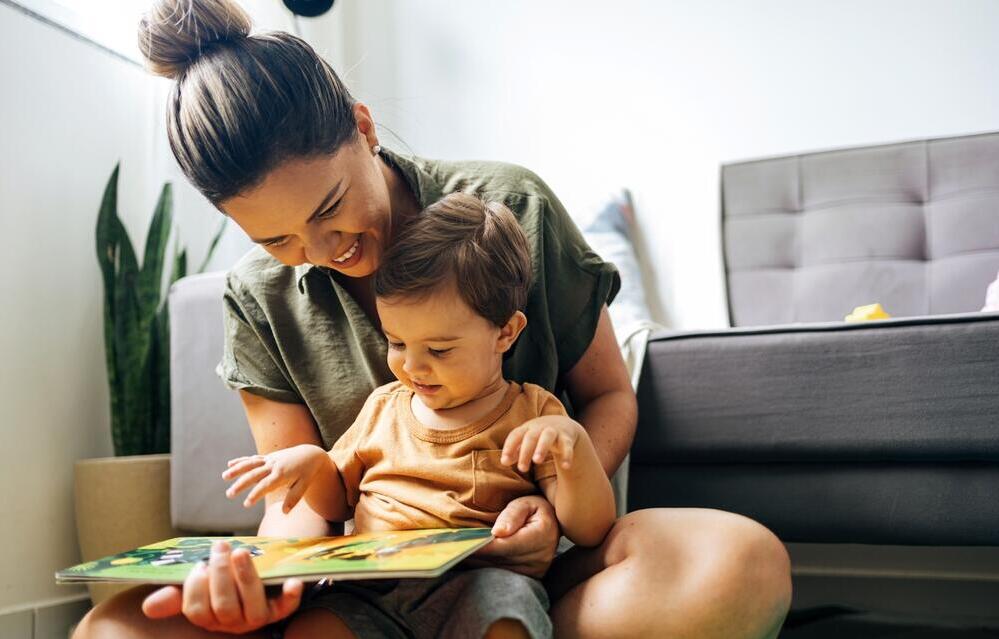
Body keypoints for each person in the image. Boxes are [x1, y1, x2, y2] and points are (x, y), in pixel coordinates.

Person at [74, 0, 792, 637]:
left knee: (741, 564)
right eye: (278, 240)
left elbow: (607, 395)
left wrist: (555, 497)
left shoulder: (510, 207)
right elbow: (301, 500)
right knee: (113, 627)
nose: (324, 252)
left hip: (526, 562)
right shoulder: (255, 297)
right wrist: (264, 584)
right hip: (369, 588)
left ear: (362, 127)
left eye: (329, 210)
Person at [220, 193, 617, 638]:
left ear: (506, 332)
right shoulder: (383, 408)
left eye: (439, 350)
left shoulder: (534, 415)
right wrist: (312, 465)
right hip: (373, 589)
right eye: (397, 343)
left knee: (508, 619)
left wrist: (575, 448)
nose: (413, 366)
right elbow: (338, 501)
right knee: (313, 627)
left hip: (479, 585)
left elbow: (591, 528)